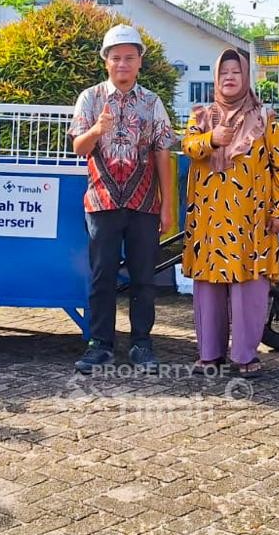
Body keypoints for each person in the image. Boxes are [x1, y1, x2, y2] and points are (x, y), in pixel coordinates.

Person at [69, 24, 177, 374]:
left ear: (140, 62)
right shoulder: (91, 98)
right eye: (115, 58)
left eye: (129, 57)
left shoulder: (151, 102)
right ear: (106, 62)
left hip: (145, 204)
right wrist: (97, 129)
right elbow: (78, 148)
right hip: (101, 202)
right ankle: (99, 344)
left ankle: (142, 343)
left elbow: (163, 152)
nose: (122, 64)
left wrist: (168, 206)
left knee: (144, 277)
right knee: (102, 275)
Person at [181, 48, 279, 377]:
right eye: (224, 72)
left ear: (247, 78)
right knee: (208, 288)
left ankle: (244, 355)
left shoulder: (264, 118)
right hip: (209, 221)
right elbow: (187, 147)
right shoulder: (200, 116)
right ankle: (209, 354)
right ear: (216, 78)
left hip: (252, 221)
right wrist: (211, 139)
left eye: (237, 72)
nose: (230, 77)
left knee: (250, 288)